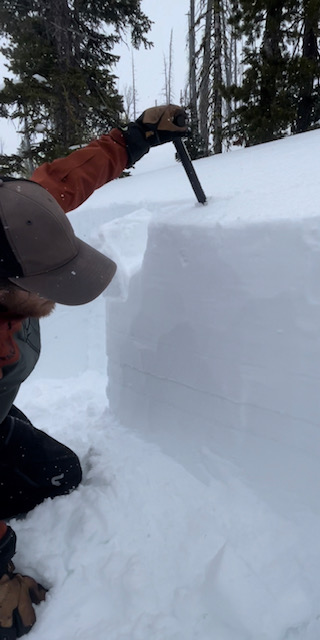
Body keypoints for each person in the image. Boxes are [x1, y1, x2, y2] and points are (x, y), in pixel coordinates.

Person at [0, 104, 188, 637]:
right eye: (40, 284)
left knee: (61, 473)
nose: (50, 295)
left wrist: (136, 138)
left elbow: (59, 180)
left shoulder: (14, 219)